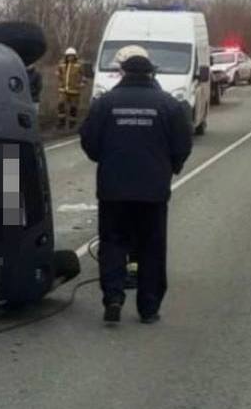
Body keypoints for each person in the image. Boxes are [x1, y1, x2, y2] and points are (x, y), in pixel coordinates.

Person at [79, 45, 192, 324]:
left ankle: (114, 298)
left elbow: (89, 141)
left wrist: (105, 159)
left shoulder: (104, 104)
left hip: (113, 189)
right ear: (152, 73)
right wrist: (170, 167)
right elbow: (183, 144)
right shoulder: (169, 105)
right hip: (153, 191)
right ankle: (149, 308)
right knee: (151, 248)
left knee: (113, 243)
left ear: (122, 73)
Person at [56, 47, 84, 130]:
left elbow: (85, 76)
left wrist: (82, 83)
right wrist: (59, 78)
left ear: (75, 56)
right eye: (68, 56)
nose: (70, 58)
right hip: (63, 90)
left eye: (72, 56)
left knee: (73, 107)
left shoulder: (79, 65)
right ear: (66, 56)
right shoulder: (62, 64)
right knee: (60, 104)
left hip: (75, 90)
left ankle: (72, 123)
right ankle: (61, 122)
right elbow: (58, 73)